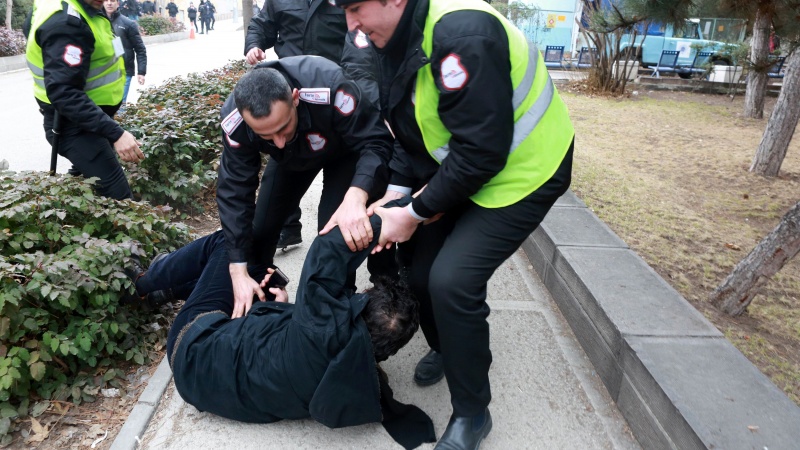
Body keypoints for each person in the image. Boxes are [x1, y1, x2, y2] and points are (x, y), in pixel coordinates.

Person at [336, 0, 575, 447]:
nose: (352, 26)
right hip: (464, 168)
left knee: (452, 281)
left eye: (355, 7)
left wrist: (413, 213)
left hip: (524, 171)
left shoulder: (463, 35)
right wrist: (395, 192)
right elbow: (411, 125)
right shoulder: (395, 34)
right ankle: (450, 348)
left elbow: (482, 152)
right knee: (422, 274)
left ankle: (471, 414)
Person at [125, 200, 435, 448]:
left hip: (191, 345)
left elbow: (329, 248)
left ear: (362, 304)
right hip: (203, 391)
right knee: (258, 279)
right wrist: (279, 308)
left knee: (231, 247)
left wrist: (411, 211)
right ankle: (169, 291)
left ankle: (143, 283)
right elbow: (302, 347)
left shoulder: (318, 316)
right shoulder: (357, 378)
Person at [217, 56, 394, 320]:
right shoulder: (236, 122)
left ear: (295, 98)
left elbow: (377, 142)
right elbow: (234, 191)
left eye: (282, 127)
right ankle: (261, 302)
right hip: (291, 159)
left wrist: (358, 194)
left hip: (345, 150)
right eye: (266, 135)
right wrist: (238, 269)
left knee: (335, 233)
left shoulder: (331, 86)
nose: (277, 141)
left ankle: (339, 320)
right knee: (261, 230)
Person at [244, 0, 352, 251]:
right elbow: (262, 24)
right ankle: (289, 228)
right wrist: (254, 45)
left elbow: (361, 39)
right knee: (280, 178)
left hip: (334, 101)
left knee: (332, 225)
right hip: (290, 101)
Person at [25, 0, 145, 200]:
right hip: (73, 126)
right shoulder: (66, 24)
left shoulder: (83, 8)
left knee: (87, 183)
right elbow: (64, 92)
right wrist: (116, 134)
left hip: (90, 120)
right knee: (119, 198)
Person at [104, 0, 147, 106]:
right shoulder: (96, 22)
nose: (109, 3)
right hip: (103, 72)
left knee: (120, 105)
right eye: (106, 0)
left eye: (112, 0)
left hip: (124, 72)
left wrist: (141, 72)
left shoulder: (128, 24)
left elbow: (140, 49)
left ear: (118, 3)